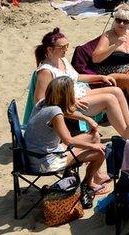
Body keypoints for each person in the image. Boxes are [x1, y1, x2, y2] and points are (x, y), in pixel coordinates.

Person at [24, 76, 107, 205]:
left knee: (94, 136)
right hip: (46, 161)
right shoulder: (55, 113)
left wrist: (87, 119)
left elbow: (66, 112)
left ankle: (87, 179)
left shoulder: (43, 103)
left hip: (34, 155)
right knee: (100, 153)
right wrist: (94, 147)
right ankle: (86, 184)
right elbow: (68, 141)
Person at [33, 28, 129, 134]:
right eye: (62, 47)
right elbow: (40, 100)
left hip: (80, 93)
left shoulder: (62, 60)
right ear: (49, 50)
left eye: (67, 45)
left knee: (116, 91)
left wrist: (101, 77)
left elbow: (77, 77)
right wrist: (69, 101)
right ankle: (127, 134)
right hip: (69, 103)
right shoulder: (46, 71)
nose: (66, 49)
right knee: (110, 99)